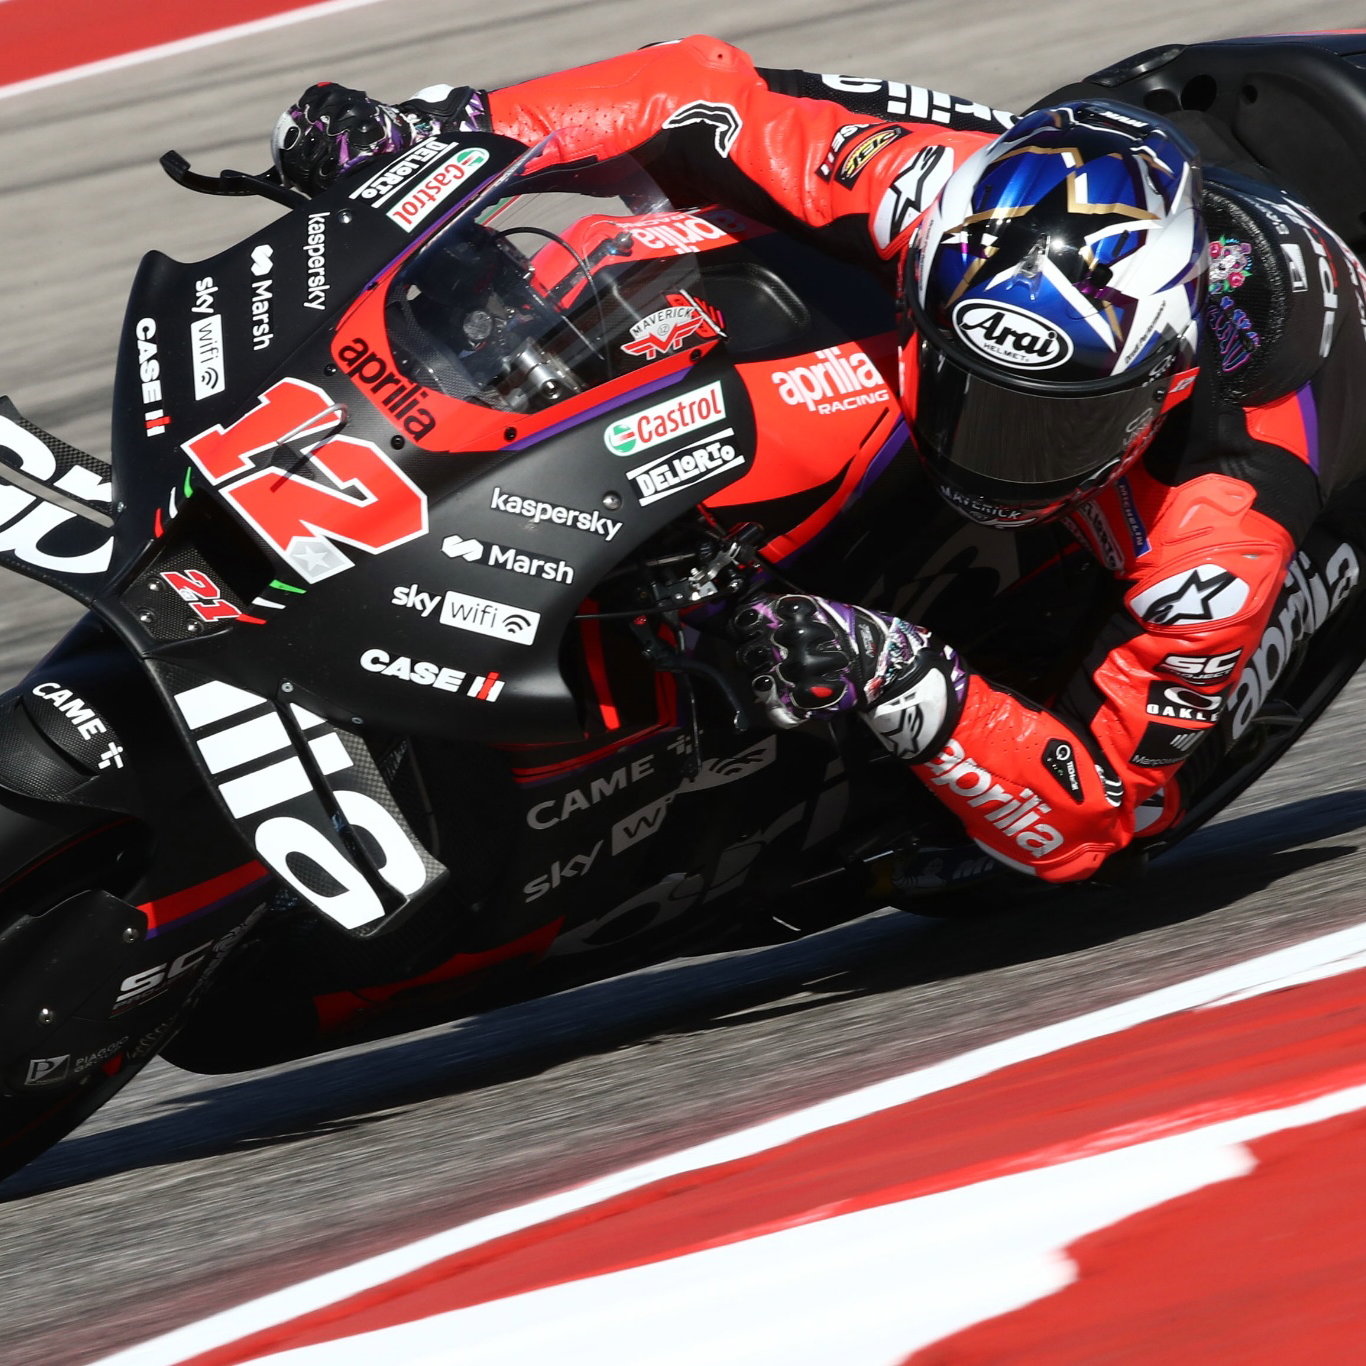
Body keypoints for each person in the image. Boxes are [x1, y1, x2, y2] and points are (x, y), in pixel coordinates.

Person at [272, 35, 1366, 882]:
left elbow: (1097, 812)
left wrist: (904, 676)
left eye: (1050, 425)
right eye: (971, 391)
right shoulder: (933, 195)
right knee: (690, 230)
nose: (992, 446)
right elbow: (688, 95)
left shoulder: (1227, 509)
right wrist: (442, 139)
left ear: (1162, 382)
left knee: (1058, 840)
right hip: (1137, 163)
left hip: (1308, 475)